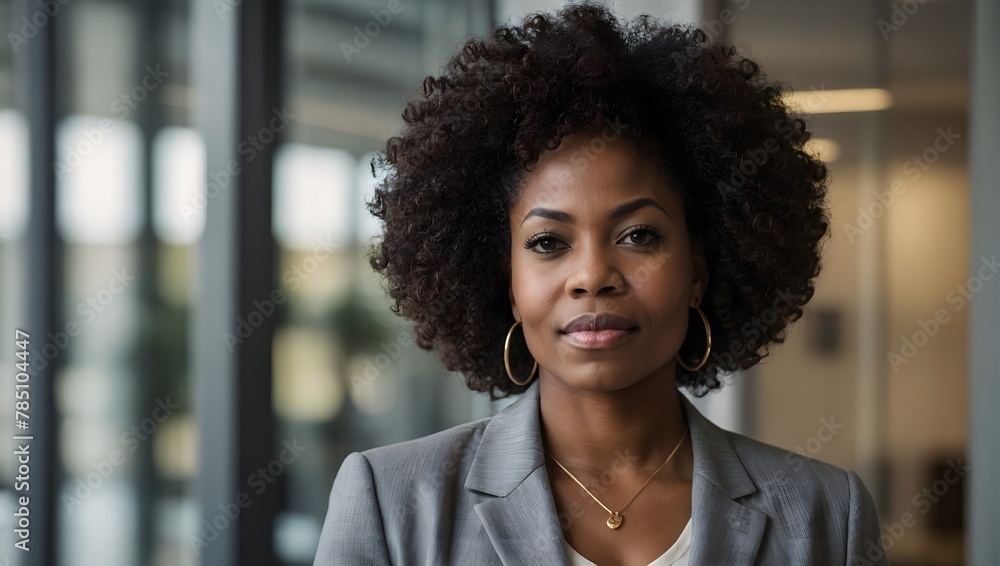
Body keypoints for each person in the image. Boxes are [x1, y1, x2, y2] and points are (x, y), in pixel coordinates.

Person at [314, 2, 888, 565]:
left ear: (698, 272)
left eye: (639, 235)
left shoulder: (825, 516)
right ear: (507, 283)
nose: (592, 276)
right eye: (547, 243)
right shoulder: (389, 503)